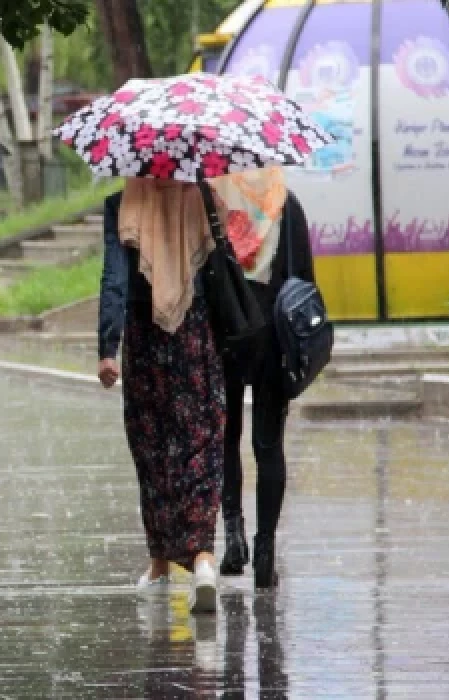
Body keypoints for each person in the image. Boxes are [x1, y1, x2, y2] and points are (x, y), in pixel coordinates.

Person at [97, 177, 226, 615]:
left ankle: (160, 568)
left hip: (143, 337)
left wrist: (106, 348)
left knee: (152, 449)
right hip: (195, 333)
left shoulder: (122, 204)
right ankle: (204, 560)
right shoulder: (204, 199)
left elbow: (114, 278)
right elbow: (221, 268)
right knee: (201, 442)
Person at [211, 168, 315, 589]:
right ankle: (266, 550)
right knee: (268, 445)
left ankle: (234, 537)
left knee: (226, 438)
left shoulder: (215, 202)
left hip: (226, 334)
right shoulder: (286, 204)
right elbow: (305, 282)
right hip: (274, 338)